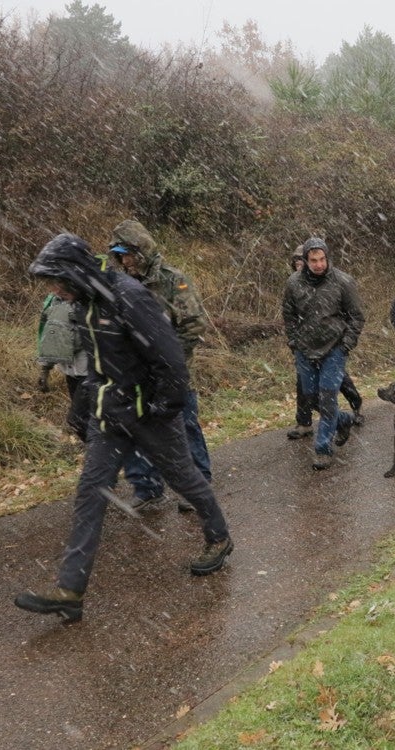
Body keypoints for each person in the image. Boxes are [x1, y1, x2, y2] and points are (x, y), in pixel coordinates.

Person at [15, 234, 233, 622]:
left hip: (149, 412)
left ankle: (218, 537)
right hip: (109, 414)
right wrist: (82, 407)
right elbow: (96, 365)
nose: (52, 290)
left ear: (74, 273)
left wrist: (164, 405)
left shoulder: (129, 296)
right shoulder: (83, 303)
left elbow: (168, 356)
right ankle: (70, 590)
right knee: (90, 492)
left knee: (183, 477)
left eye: (55, 281)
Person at [107, 219, 210, 512]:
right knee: (136, 430)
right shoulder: (121, 285)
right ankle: (147, 487)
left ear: (142, 251)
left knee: (185, 427)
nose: (124, 260)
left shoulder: (173, 280)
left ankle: (198, 483)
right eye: (120, 255)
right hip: (135, 375)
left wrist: (167, 357)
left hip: (172, 374)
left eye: (128, 253)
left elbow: (193, 324)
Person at [282, 237, 365, 470]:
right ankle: (343, 419)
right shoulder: (293, 283)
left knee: (328, 397)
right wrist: (294, 341)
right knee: (310, 398)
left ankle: (323, 448)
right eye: (313, 260)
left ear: (327, 258)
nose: (318, 264)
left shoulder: (342, 282)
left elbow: (357, 316)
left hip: (334, 348)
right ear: (305, 261)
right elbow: (288, 315)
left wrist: (346, 344)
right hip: (305, 349)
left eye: (322, 259)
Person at [36, 293, 90, 441]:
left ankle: (103, 452)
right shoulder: (54, 301)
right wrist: (45, 370)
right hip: (70, 369)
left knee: (77, 418)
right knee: (85, 417)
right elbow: (50, 336)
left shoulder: (90, 298)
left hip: (91, 369)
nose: (55, 287)